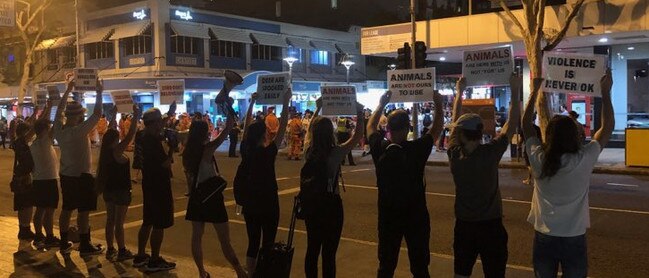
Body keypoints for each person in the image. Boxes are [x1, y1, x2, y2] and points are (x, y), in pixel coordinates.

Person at [523, 71, 614, 278]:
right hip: (573, 236)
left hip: (545, 235)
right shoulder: (583, 158)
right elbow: (607, 127)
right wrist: (606, 93)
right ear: (574, 136)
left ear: (549, 136)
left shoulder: (540, 158)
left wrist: (534, 91)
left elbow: (526, 126)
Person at [447, 74, 521, 278]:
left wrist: (460, 92)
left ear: (460, 134)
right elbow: (511, 124)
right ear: (480, 134)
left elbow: (454, 121)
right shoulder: (491, 153)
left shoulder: (454, 154)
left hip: (464, 226)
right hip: (491, 226)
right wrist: (515, 91)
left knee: (461, 273)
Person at [367, 90, 444, 278]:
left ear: (388, 129)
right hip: (415, 215)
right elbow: (437, 129)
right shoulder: (417, 149)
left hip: (388, 215)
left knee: (386, 265)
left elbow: (370, 126)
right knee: (419, 267)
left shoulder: (379, 148)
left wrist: (381, 104)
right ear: (408, 128)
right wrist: (438, 104)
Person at [301, 98, 365, 278]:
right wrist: (359, 112)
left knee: (312, 248)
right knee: (329, 254)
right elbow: (357, 136)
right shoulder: (335, 153)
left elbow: (308, 131)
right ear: (331, 133)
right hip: (331, 206)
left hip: (312, 204)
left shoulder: (308, 150)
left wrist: (318, 108)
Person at [183, 117, 248, 278]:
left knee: (196, 237)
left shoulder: (187, 153)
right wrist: (230, 120)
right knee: (224, 240)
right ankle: (239, 271)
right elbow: (223, 135)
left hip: (197, 197)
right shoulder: (206, 149)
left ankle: (201, 272)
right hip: (212, 197)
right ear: (203, 133)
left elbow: (189, 179)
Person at [238, 90, 291, 275]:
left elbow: (245, 130)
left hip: (250, 203)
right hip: (268, 202)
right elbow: (283, 126)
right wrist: (286, 102)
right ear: (263, 135)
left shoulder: (246, 150)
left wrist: (252, 104)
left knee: (252, 242)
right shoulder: (268, 154)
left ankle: (251, 273)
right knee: (268, 243)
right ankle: (266, 273)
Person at [53, 76, 104, 255]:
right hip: (82, 176)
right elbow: (97, 114)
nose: (83, 115)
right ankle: (84, 243)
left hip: (66, 175)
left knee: (67, 209)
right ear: (78, 115)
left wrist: (67, 90)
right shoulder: (78, 130)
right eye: (81, 113)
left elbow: (58, 111)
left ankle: (64, 241)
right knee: (83, 211)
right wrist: (99, 92)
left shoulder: (59, 131)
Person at [133, 106, 178, 272]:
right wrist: (172, 149)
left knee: (148, 220)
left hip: (148, 182)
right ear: (154, 123)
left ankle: (140, 255)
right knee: (159, 223)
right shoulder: (154, 141)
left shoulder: (142, 136)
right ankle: (154, 259)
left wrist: (168, 114)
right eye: (159, 121)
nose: (162, 123)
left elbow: (155, 125)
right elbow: (166, 163)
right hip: (159, 183)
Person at [99, 104, 141, 262]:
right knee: (119, 222)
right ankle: (122, 249)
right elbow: (130, 135)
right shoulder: (116, 150)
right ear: (115, 139)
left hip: (109, 189)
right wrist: (136, 115)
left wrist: (114, 114)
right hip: (121, 190)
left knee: (110, 220)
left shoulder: (106, 151)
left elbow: (111, 131)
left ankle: (110, 249)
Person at [31, 101, 61, 249]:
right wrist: (56, 108)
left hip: (38, 180)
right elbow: (55, 125)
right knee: (49, 211)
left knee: (40, 210)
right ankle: (49, 236)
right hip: (48, 180)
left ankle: (38, 235)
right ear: (43, 130)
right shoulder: (44, 142)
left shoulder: (34, 143)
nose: (50, 130)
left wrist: (48, 108)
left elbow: (44, 124)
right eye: (47, 128)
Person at [12, 121, 35, 240]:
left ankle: (23, 229)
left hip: (19, 175)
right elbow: (33, 129)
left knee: (22, 204)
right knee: (27, 204)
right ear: (24, 132)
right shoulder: (22, 142)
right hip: (24, 176)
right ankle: (25, 229)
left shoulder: (16, 142)